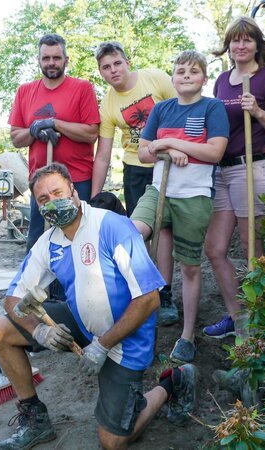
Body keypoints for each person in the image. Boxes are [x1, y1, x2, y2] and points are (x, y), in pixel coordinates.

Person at [0, 163, 196, 450]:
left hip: (125, 338)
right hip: (83, 323)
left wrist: (102, 345)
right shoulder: (48, 243)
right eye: (43, 200)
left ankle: (170, 384)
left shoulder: (110, 226)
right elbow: (12, 300)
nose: (53, 202)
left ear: (74, 191)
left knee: (112, 442)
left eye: (58, 192)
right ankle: (35, 419)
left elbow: (149, 298)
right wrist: (39, 332)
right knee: (0, 329)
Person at [130, 51, 229, 364]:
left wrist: (170, 146)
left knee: (189, 266)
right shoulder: (162, 109)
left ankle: (187, 336)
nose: (187, 75)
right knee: (130, 234)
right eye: (181, 71)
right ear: (172, 78)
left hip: (194, 196)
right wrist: (162, 149)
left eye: (194, 71)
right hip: (159, 191)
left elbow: (215, 152)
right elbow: (144, 153)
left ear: (203, 78)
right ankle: (135, 313)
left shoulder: (212, 107)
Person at [203, 16, 265, 339]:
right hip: (223, 170)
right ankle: (237, 318)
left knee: (250, 245)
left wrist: (257, 111)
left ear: (257, 44)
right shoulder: (222, 81)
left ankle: (262, 320)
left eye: (247, 40)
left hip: (253, 167)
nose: (241, 45)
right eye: (235, 40)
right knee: (215, 248)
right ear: (228, 45)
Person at [90, 41, 180, 326]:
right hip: (136, 169)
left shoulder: (155, 78)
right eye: (106, 67)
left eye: (117, 63)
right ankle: (144, 291)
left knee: (164, 229)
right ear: (101, 72)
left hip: (169, 161)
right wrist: (94, 200)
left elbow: (184, 109)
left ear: (127, 62)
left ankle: (165, 294)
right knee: (140, 232)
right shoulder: (107, 105)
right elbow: (103, 155)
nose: (113, 70)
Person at [8, 33, 100, 251]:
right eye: (46, 58)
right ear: (39, 60)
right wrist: (33, 130)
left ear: (66, 60)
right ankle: (41, 286)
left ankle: (76, 286)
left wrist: (55, 124)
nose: (51, 63)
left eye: (56, 58)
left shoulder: (82, 89)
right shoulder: (25, 91)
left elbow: (90, 133)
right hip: (41, 182)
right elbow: (15, 138)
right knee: (39, 244)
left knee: (76, 243)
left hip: (76, 181)